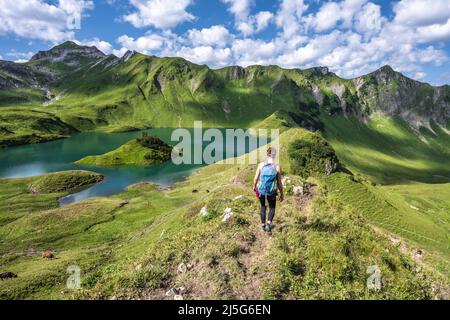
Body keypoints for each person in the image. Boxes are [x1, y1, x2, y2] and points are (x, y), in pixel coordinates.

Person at [253, 147, 283, 233]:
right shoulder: (277, 167)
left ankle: (263, 225)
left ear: (267, 154)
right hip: (272, 191)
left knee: (263, 206)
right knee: (272, 207)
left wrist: (254, 186)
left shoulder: (261, 165)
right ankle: (268, 224)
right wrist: (281, 194)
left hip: (261, 190)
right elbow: (279, 183)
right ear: (275, 155)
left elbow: (255, 178)